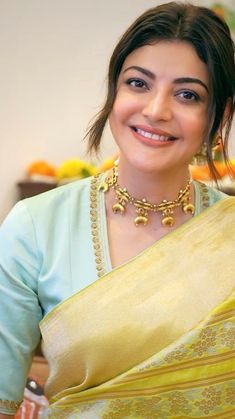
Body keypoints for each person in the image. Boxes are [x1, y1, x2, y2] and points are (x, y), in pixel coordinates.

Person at [0, 2, 235, 418]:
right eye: (138, 83)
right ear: (114, 92)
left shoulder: (228, 231)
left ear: (219, 117)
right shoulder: (35, 226)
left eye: (187, 94)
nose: (156, 110)